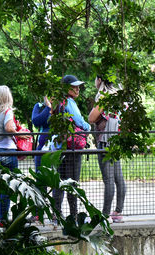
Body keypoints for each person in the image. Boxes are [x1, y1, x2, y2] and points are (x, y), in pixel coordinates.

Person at [88, 75, 126, 223]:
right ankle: (118, 212)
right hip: (116, 140)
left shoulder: (104, 97)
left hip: (105, 141)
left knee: (108, 179)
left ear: (99, 80)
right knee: (118, 177)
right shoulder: (118, 96)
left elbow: (91, 118)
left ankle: (105, 215)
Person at [52, 74, 90, 218]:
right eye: (74, 86)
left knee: (59, 182)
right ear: (66, 88)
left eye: (78, 86)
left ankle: (57, 213)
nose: (77, 89)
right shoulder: (69, 102)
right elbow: (79, 121)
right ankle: (73, 216)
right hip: (72, 146)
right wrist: (87, 126)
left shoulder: (57, 102)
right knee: (72, 182)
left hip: (59, 146)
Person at [0, 85, 20, 223]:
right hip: (7, 151)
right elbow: (9, 128)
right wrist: (20, 134)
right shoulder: (7, 111)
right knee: (7, 187)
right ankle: (4, 219)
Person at [31, 96, 52, 171]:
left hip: (56, 147)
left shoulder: (60, 106)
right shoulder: (39, 106)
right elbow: (36, 121)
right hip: (42, 147)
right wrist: (48, 108)